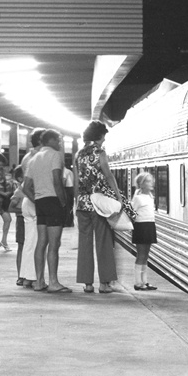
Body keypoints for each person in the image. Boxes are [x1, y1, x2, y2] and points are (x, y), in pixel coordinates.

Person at [75, 120, 135, 294]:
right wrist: (118, 196)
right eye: (103, 137)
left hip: (82, 203)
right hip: (98, 204)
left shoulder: (79, 154)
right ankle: (104, 283)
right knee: (104, 243)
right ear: (99, 135)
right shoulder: (99, 152)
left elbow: (78, 181)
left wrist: (76, 201)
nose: (104, 140)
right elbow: (108, 175)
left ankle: (87, 284)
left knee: (84, 243)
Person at [23, 129, 71, 293]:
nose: (59, 144)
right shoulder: (55, 155)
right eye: (58, 141)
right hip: (53, 201)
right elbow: (57, 180)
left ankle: (39, 282)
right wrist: (63, 203)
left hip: (41, 202)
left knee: (41, 242)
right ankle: (53, 282)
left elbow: (25, 187)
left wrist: (37, 199)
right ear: (51, 140)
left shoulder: (34, 158)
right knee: (54, 244)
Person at [19, 128, 44, 289]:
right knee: (36, 242)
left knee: (29, 242)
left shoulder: (26, 157)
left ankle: (26, 276)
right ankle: (34, 278)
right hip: (34, 201)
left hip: (26, 202)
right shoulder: (37, 157)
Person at [131, 172, 158, 290]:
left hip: (150, 225)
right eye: (147, 181)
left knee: (146, 256)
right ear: (141, 185)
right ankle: (138, 283)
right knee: (141, 255)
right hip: (141, 226)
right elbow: (131, 212)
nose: (151, 183)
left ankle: (144, 281)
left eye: (151, 180)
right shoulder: (137, 198)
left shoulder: (150, 197)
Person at [8, 165, 26, 285]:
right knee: (21, 248)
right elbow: (10, 207)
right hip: (22, 221)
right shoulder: (19, 192)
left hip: (28, 221)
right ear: (20, 178)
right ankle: (20, 275)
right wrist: (23, 212)